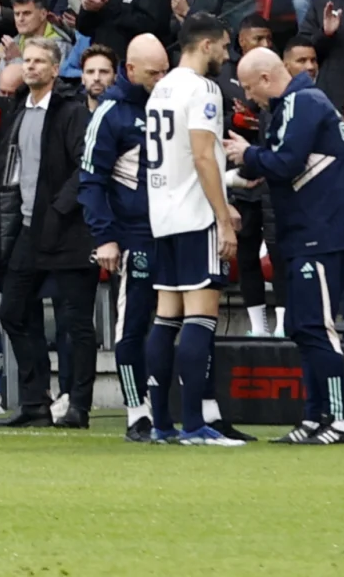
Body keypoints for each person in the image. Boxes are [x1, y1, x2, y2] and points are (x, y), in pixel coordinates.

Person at [233, 45, 344, 442]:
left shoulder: (301, 103)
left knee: (319, 328)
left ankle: (337, 420)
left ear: (267, 79)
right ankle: (313, 417)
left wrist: (248, 153)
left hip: (322, 234)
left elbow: (286, 162)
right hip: (306, 233)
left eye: (248, 86)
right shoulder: (298, 104)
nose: (247, 95)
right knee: (302, 327)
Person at [137, 22, 240, 446]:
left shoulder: (160, 89)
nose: (227, 56)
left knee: (165, 318)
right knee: (200, 317)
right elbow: (202, 155)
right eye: (224, 47)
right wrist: (222, 217)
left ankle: (161, 423)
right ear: (206, 44)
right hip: (196, 215)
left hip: (163, 214)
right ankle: (195, 425)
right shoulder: (203, 89)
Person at [0, 36, 96, 430]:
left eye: (39, 61)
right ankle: (36, 400)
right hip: (27, 227)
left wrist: (58, 209)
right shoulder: (17, 109)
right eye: (28, 61)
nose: (31, 67)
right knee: (13, 310)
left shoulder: (71, 112)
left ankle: (79, 406)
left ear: (55, 69)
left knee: (76, 322)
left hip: (68, 231)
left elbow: (83, 167)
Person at [79, 39, 156, 435]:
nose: (160, 80)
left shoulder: (171, 103)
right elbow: (91, 180)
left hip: (177, 231)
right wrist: (105, 237)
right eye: (153, 73)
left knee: (180, 322)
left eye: (164, 71)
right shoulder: (110, 113)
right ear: (131, 70)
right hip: (135, 234)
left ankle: (192, 408)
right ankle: (136, 410)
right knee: (133, 324)